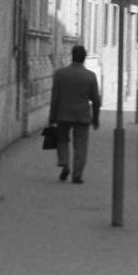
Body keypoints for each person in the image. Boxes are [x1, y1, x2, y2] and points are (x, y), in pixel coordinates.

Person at [48, 44, 101, 184]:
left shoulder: (60, 74)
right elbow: (95, 100)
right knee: (81, 146)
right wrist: (95, 118)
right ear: (84, 58)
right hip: (82, 115)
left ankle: (65, 164)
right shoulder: (90, 76)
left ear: (72, 56)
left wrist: (52, 117)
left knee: (62, 140)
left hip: (63, 113)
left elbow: (55, 98)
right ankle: (77, 174)